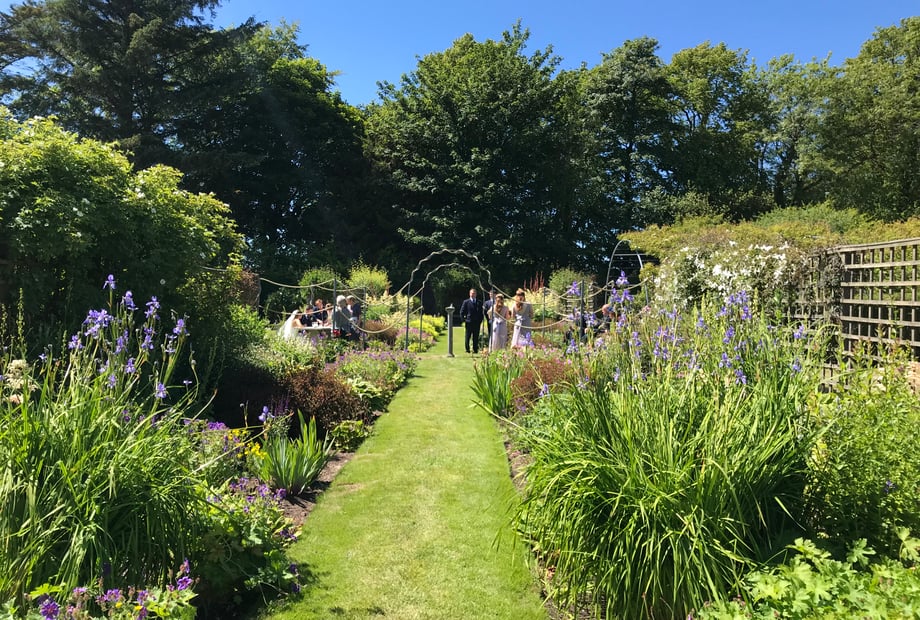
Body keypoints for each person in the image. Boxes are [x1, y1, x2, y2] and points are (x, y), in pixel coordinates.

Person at [459, 288, 484, 354]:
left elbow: (481, 313)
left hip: (476, 322)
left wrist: (480, 321)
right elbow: (461, 312)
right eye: (472, 293)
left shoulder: (479, 302)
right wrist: (464, 320)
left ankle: (475, 349)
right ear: (469, 294)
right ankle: (467, 349)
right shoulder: (466, 302)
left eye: (474, 293)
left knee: (476, 337)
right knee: (468, 336)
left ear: (476, 294)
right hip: (469, 322)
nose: (473, 294)